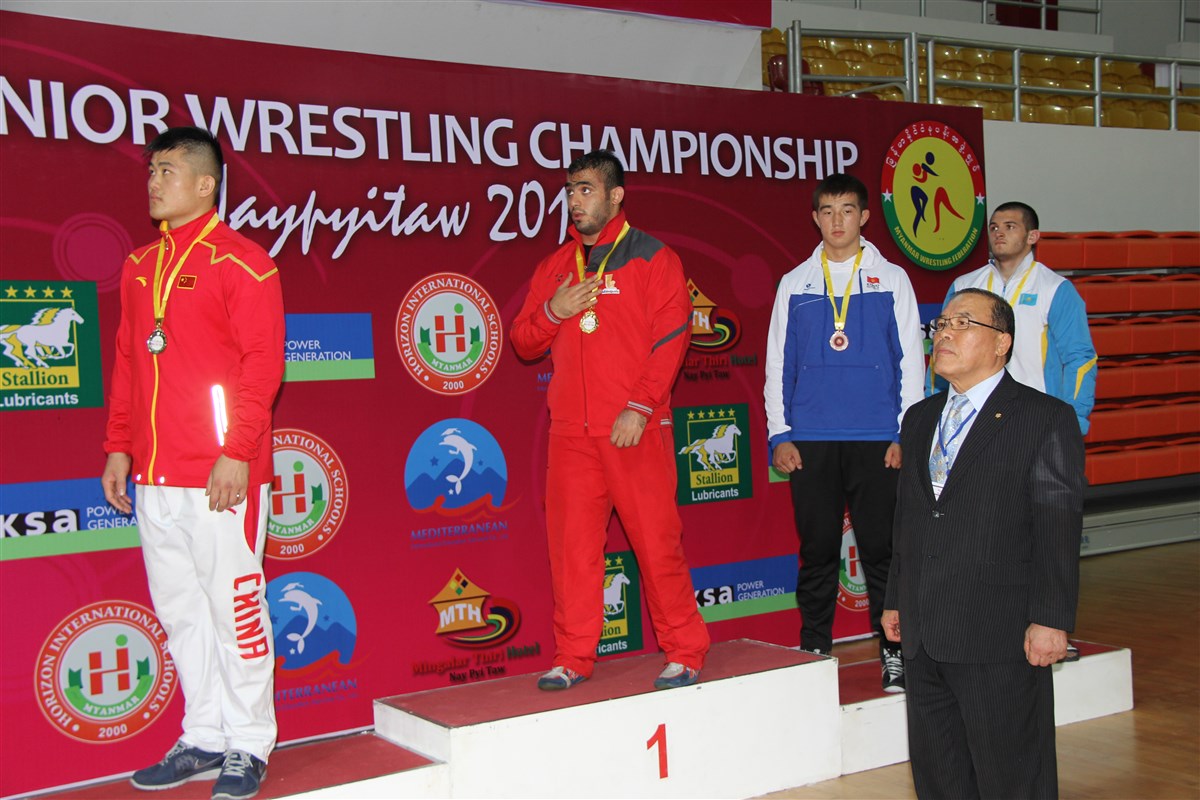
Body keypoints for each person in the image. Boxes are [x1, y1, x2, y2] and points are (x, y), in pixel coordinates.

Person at [101, 127, 284, 800]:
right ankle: (204, 735)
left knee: (236, 612)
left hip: (220, 475)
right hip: (155, 476)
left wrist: (237, 452)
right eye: (151, 170)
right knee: (182, 613)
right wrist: (119, 445)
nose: (154, 181)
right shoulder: (138, 266)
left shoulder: (244, 263)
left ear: (206, 185)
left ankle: (249, 743)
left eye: (168, 171)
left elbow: (264, 365)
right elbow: (128, 357)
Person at [510, 150, 709, 691]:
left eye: (586, 190)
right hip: (571, 435)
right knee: (572, 553)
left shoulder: (653, 257)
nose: (575, 201)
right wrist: (554, 311)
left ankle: (685, 650)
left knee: (656, 545)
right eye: (570, 191)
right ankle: (572, 657)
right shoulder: (555, 266)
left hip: (632, 429)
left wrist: (640, 407)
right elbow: (522, 341)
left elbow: (673, 336)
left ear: (616, 195)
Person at [883, 287, 1084, 799]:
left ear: (1001, 343)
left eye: (962, 323)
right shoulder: (919, 418)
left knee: (1011, 778)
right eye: (941, 324)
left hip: (1000, 632)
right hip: (925, 630)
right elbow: (909, 518)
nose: (944, 333)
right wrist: (895, 598)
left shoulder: (1043, 417)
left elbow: (1057, 526)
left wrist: (1052, 618)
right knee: (940, 776)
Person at [764, 173, 924, 693]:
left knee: (883, 553)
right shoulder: (795, 282)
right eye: (828, 211)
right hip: (810, 440)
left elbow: (911, 361)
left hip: (877, 439)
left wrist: (906, 433)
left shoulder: (892, 279)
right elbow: (777, 364)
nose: (837, 221)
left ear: (864, 217)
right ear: (815, 218)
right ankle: (814, 651)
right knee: (816, 552)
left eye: (847, 210)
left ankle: (895, 654)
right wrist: (779, 434)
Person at [935, 201, 1096, 434]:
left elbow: (1079, 358)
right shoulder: (964, 285)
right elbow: (942, 345)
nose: (999, 233)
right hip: (971, 413)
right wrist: (935, 403)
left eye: (1009, 226)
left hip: (1034, 415)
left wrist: (1074, 419)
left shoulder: (1054, 288)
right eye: (993, 227)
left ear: (1032, 236)